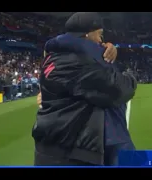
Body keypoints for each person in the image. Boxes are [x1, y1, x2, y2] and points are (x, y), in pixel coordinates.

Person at [33, 12, 137, 166]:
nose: (101, 40)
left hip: (48, 145)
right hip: (71, 152)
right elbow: (120, 89)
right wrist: (130, 75)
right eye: (99, 35)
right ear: (87, 35)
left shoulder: (52, 56)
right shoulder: (82, 62)